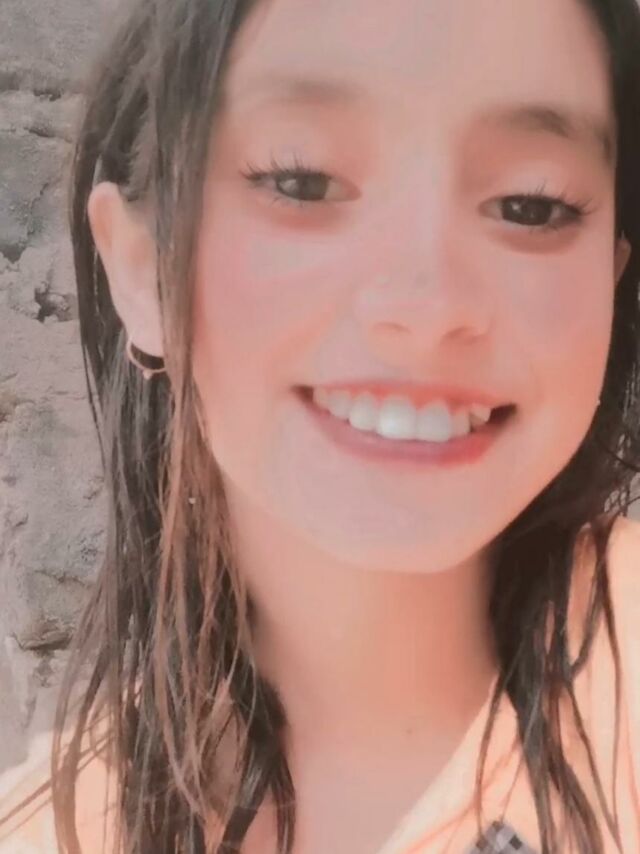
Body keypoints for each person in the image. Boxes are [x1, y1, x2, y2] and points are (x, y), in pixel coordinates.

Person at [1, 0, 640, 851]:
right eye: (301, 182)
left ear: (608, 278)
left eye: (530, 204)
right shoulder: (57, 831)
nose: (426, 303)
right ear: (142, 265)